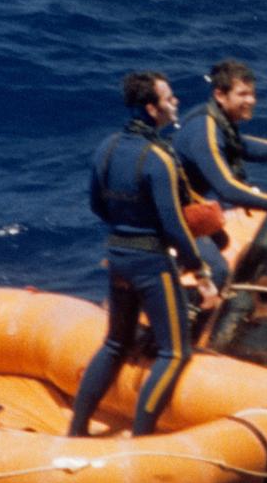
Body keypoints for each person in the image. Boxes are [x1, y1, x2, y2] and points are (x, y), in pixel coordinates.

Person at [68, 70, 223, 438]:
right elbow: (175, 229)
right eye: (169, 99)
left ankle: (75, 430)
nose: (176, 103)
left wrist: (128, 224)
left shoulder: (105, 148)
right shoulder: (159, 159)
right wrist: (201, 276)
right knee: (174, 353)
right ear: (152, 108)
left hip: (117, 255)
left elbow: (97, 206)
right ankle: (141, 438)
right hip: (151, 263)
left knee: (114, 343)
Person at [175, 58, 267, 231]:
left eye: (252, 94)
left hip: (207, 203)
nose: (251, 101)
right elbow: (227, 188)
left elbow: (241, 146)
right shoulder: (203, 132)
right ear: (220, 96)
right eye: (243, 94)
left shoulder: (217, 118)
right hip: (185, 221)